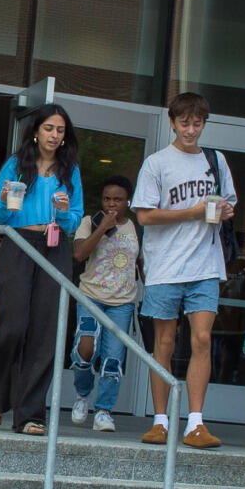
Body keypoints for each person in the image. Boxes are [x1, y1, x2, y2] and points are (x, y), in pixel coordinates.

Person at [132, 94, 233, 450]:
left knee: (202, 339)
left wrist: (224, 212)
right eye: (185, 123)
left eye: (198, 123)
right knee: (164, 341)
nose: (191, 130)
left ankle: (195, 422)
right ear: (171, 122)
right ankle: (160, 420)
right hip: (165, 266)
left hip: (206, 264)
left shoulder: (216, 161)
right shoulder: (157, 163)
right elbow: (144, 215)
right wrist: (191, 213)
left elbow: (228, 202)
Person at [0, 106, 83, 435]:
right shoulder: (15, 165)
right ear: (36, 131)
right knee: (11, 325)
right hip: (18, 244)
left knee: (45, 332)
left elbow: (75, 218)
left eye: (60, 130)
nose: (55, 135)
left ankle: (30, 414)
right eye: (50, 128)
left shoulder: (70, 170)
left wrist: (66, 212)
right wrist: (8, 199)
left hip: (54, 247)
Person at [68, 176, 141, 432]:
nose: (112, 204)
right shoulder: (90, 222)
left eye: (118, 200)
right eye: (107, 199)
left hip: (122, 303)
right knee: (85, 349)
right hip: (91, 296)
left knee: (112, 360)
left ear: (128, 202)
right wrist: (102, 228)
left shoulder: (137, 228)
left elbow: (144, 266)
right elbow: (78, 254)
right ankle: (82, 394)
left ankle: (103, 411)